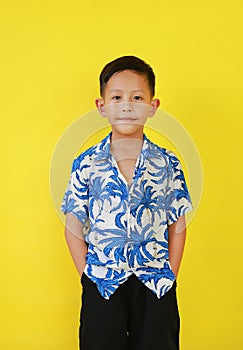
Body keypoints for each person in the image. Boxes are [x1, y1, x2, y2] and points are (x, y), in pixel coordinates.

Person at [61, 56, 192, 350]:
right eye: (117, 97)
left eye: (137, 97)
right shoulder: (87, 164)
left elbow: (178, 226)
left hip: (155, 282)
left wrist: (170, 272)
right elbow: (73, 227)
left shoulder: (168, 163)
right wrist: (88, 277)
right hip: (103, 284)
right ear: (102, 106)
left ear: (152, 106)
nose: (127, 106)